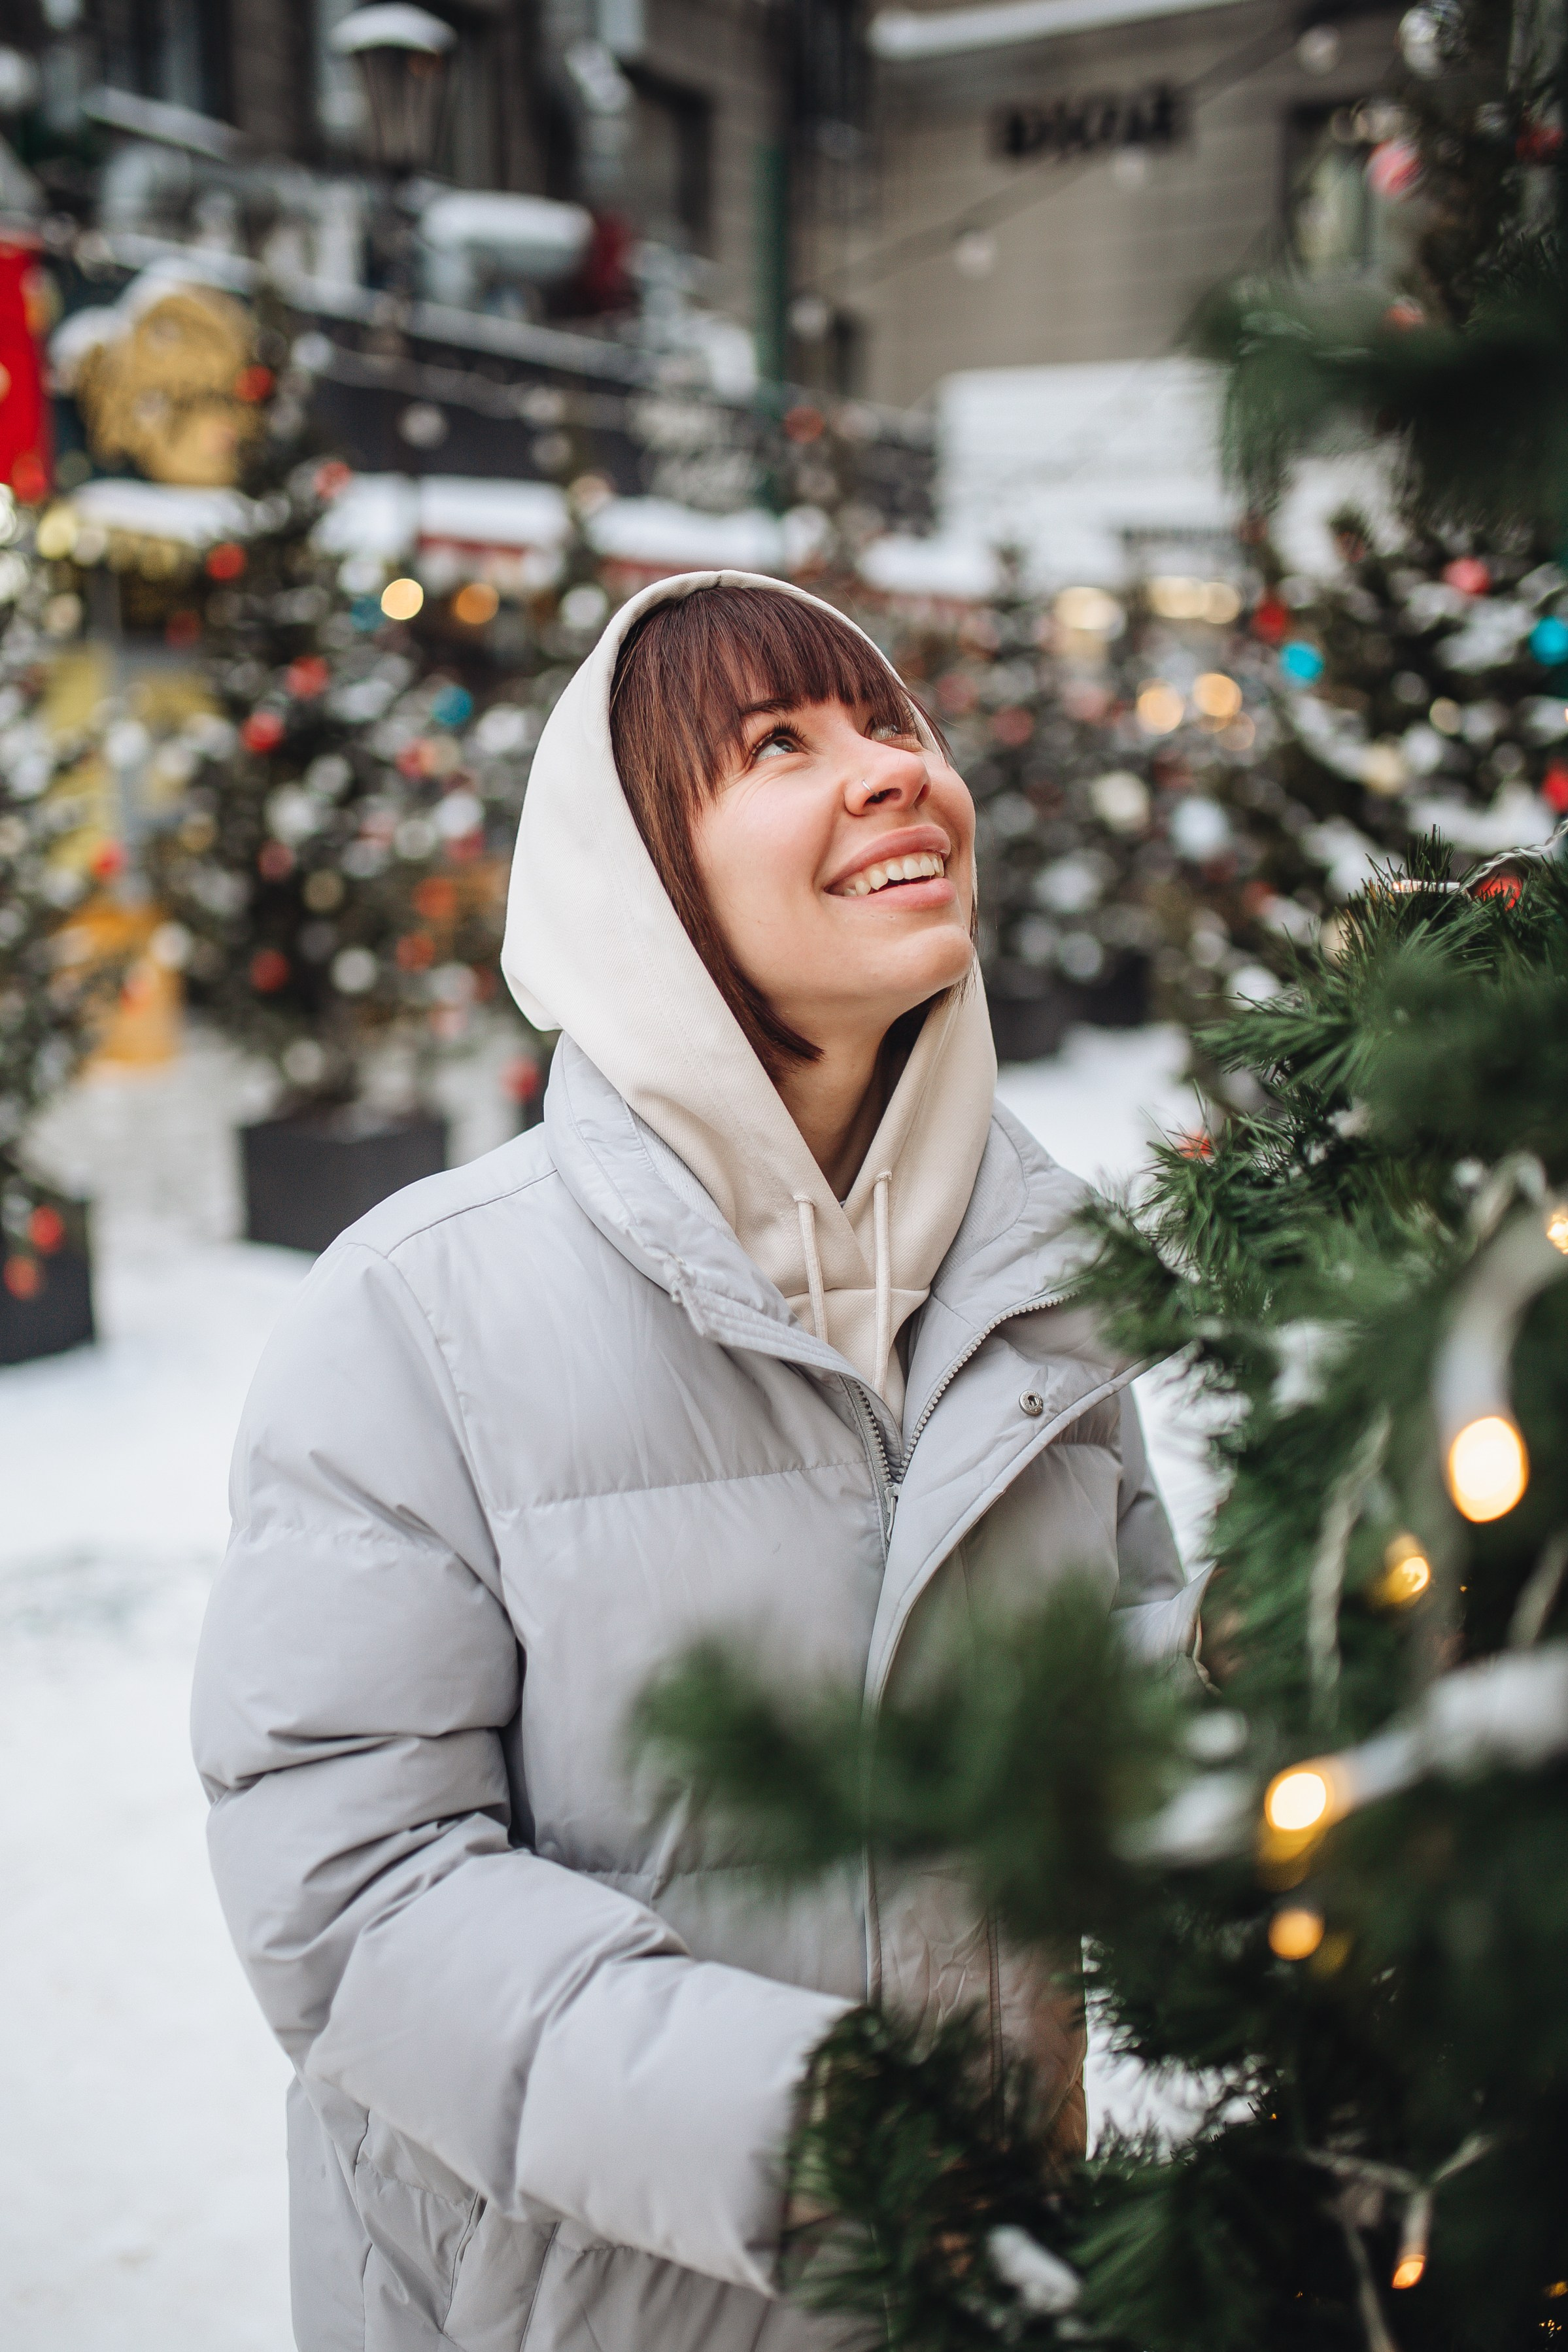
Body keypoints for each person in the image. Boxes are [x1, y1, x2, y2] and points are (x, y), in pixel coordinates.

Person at [192, 572, 1205, 2352]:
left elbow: (1092, 1726)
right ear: (643, 878)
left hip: (998, 2290)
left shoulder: (1041, 1282)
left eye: (892, 723)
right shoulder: (423, 1314)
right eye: (781, 746)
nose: (891, 770)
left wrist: (1265, 1666)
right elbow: (353, 1896)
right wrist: (808, 2128)